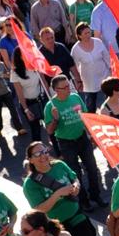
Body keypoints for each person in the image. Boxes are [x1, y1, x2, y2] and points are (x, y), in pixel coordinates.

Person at [23, 141, 119, 236]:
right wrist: (57, 194)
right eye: (38, 154)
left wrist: (75, 187)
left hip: (76, 214)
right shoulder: (30, 184)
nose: (43, 156)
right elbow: (39, 209)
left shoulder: (60, 165)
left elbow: (75, 179)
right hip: (55, 225)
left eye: (45, 151)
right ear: (31, 160)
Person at [44, 74, 105, 210]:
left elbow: (84, 116)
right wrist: (55, 119)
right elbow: (49, 130)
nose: (68, 89)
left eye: (68, 85)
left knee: (92, 168)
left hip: (82, 138)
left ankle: (95, 195)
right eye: (64, 87)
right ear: (56, 90)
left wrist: (91, 135)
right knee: (75, 173)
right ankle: (83, 201)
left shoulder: (75, 97)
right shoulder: (50, 106)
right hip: (66, 143)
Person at [70, 22, 110, 111]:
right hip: (88, 82)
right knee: (90, 107)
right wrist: (78, 81)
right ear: (79, 35)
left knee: (104, 105)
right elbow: (74, 67)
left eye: (89, 32)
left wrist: (112, 70)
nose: (88, 35)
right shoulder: (75, 49)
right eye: (85, 33)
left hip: (104, 77)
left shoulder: (98, 42)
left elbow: (107, 57)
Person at [10, 47, 46, 141]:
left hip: (41, 100)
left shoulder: (36, 66)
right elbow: (19, 94)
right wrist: (26, 110)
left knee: (52, 127)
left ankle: (58, 153)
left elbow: (44, 83)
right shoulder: (15, 72)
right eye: (25, 53)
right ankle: (36, 153)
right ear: (20, 57)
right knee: (36, 130)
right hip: (29, 104)